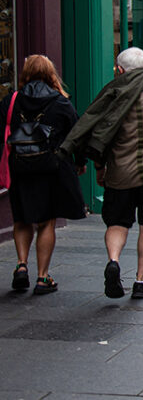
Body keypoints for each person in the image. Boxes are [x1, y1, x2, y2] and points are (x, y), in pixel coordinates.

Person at [63, 47, 143, 299]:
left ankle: (114, 261)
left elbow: (99, 135)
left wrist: (100, 169)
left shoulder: (112, 98)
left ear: (119, 70)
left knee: (117, 223)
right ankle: (141, 281)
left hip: (119, 172)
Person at [4, 56, 85, 295]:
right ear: (51, 74)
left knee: (21, 218)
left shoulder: (11, 101)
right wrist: (80, 162)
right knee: (46, 221)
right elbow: (75, 135)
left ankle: (21, 265)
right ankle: (42, 277)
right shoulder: (60, 102)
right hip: (51, 168)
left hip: (19, 167)